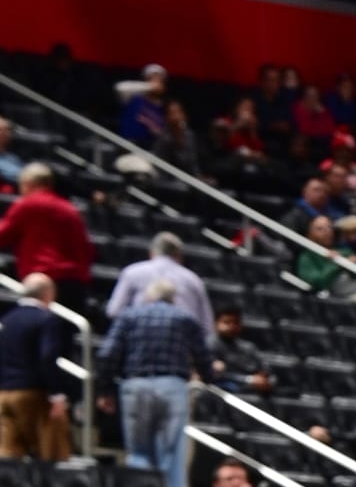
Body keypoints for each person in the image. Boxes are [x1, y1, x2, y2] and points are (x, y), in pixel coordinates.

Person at [99, 281, 210, 487]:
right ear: (173, 298)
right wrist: (209, 378)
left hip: (135, 384)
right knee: (172, 454)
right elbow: (202, 355)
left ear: (148, 297)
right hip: (172, 386)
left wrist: (105, 388)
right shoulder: (184, 318)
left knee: (138, 451)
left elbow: (108, 353)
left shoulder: (129, 316)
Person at [0, 273, 74, 463]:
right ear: (49, 294)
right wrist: (57, 394)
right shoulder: (46, 319)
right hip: (33, 393)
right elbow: (48, 357)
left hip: (5, 392)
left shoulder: (7, 319)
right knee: (52, 452)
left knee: (8, 455)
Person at [0, 165, 92, 309]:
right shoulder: (70, 208)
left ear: (28, 184)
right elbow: (85, 248)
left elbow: (3, 235)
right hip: (73, 280)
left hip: (41, 280)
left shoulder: (27, 204)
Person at [107, 232, 215, 342]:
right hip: (180, 345)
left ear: (151, 253)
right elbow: (206, 325)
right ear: (179, 255)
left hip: (138, 341)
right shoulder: (194, 280)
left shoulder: (131, 272)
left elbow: (114, 311)